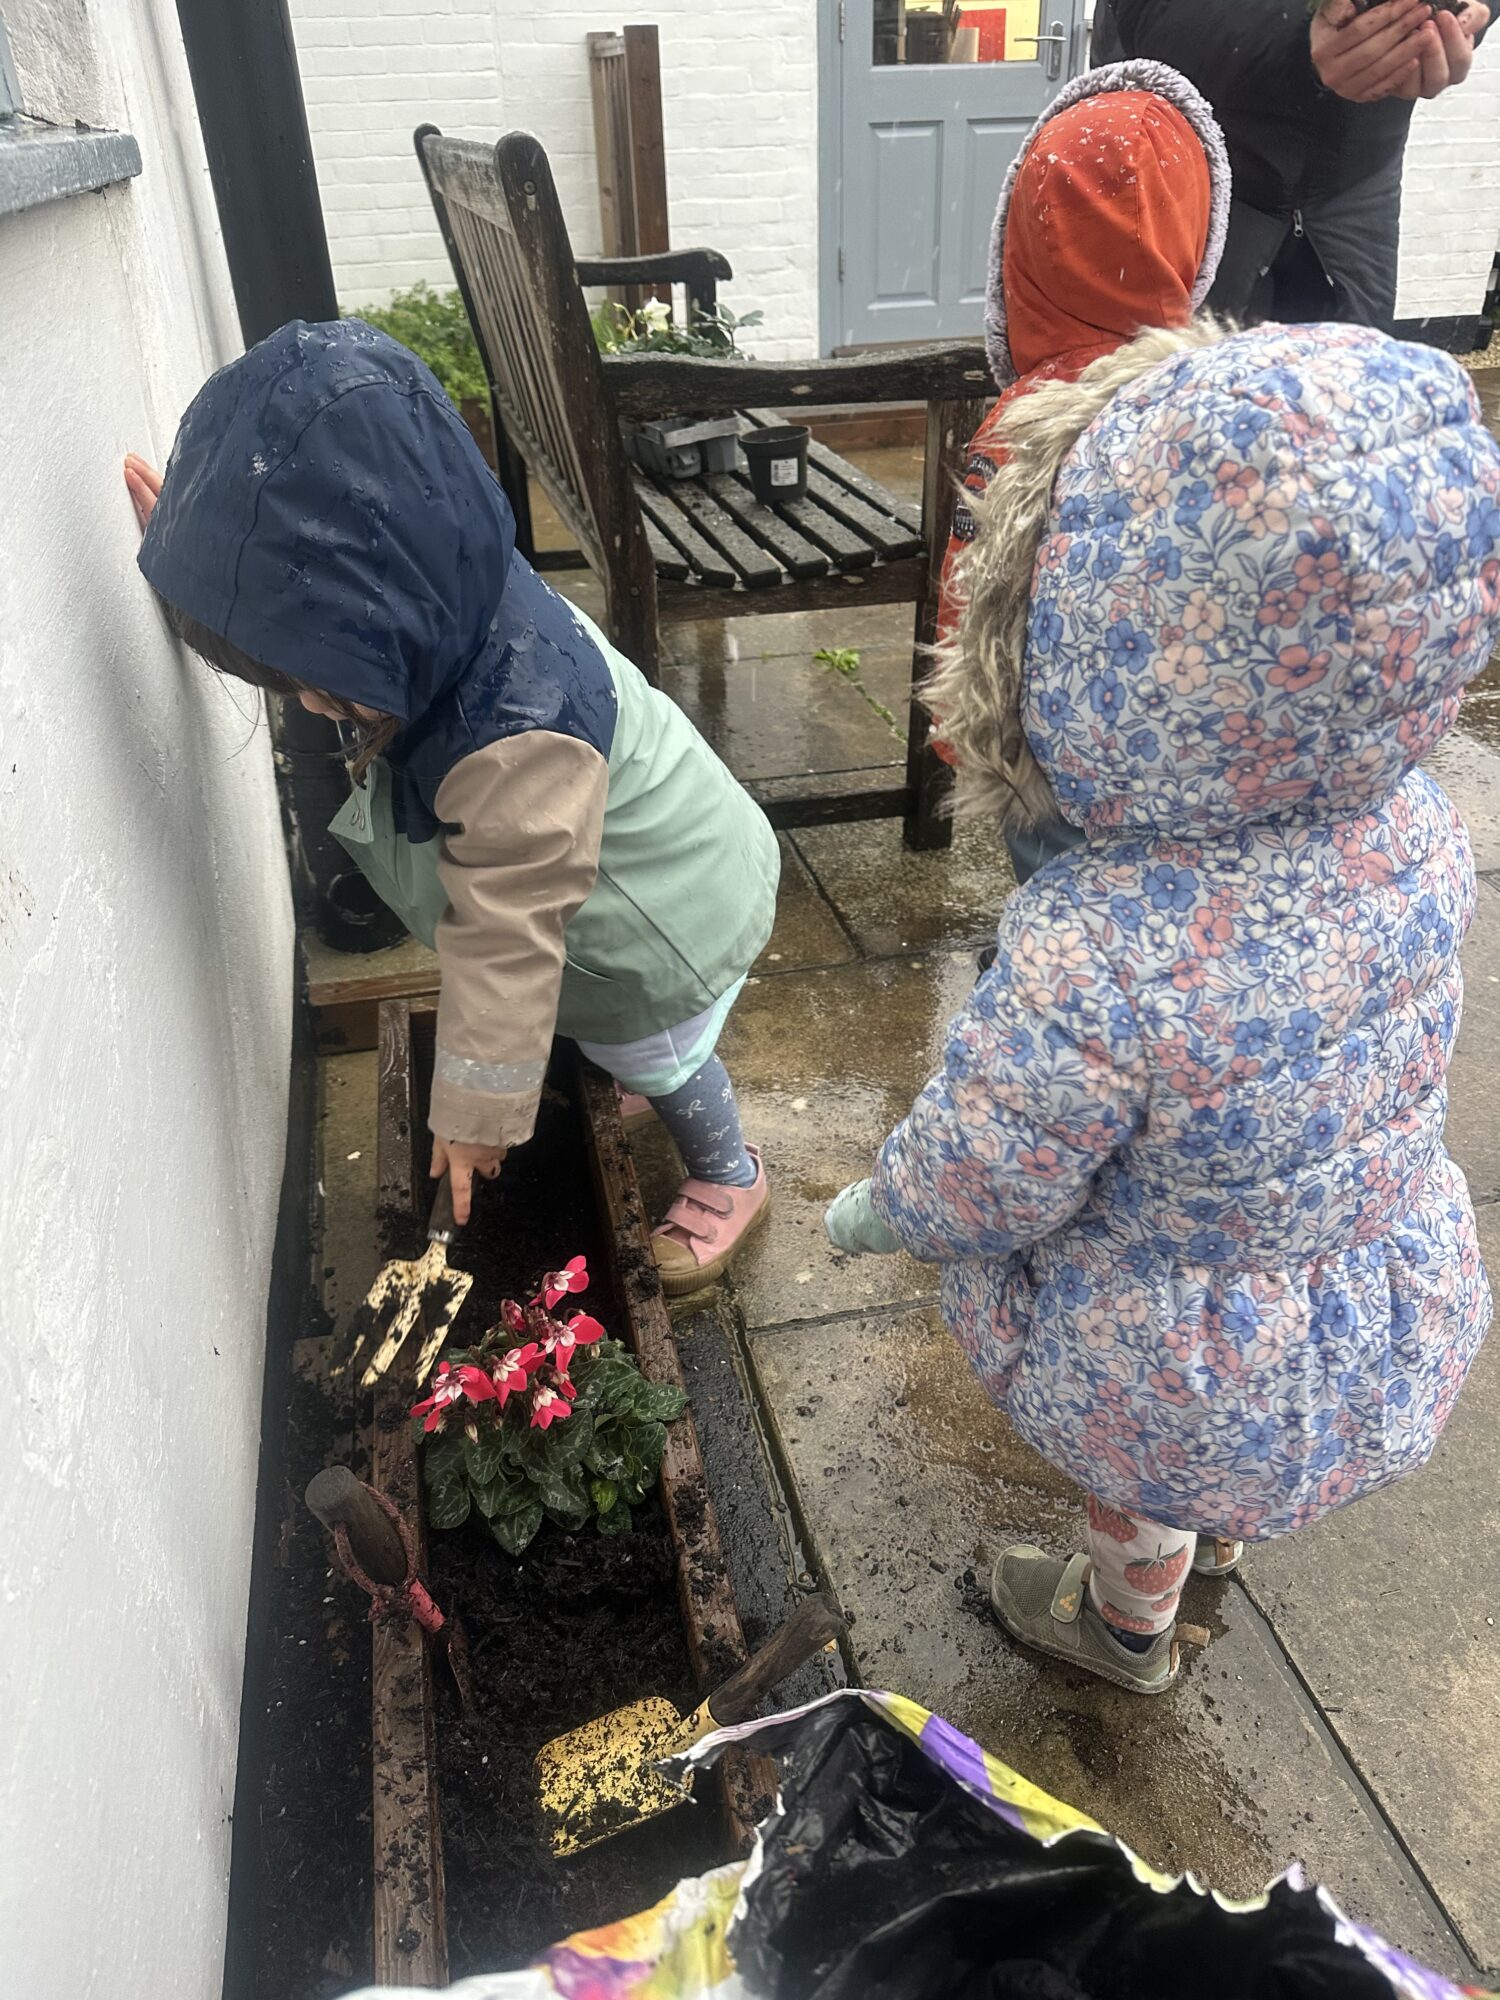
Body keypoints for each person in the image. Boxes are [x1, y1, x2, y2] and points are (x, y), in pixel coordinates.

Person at [826, 317, 1500, 1692]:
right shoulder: (1422, 833)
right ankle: (1222, 1535)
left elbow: (989, 1165)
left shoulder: (1100, 940)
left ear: (1117, 637)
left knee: (1145, 1467)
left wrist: (885, 1208)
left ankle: (1126, 1627)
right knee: (1220, 1439)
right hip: (1366, 1298)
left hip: (1175, 1362)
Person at [125, 319, 778, 1294]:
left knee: (665, 1049)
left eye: (310, 678)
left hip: (665, 916)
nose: (311, 703)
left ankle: (730, 1172)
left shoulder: (517, 740)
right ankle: (639, 1073)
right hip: (625, 862)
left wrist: (477, 1116)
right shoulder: (446, 579)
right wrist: (209, 562)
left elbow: (506, 950)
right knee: (613, 1032)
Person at [935, 60, 1231, 886]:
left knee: (1060, 896)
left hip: (1054, 762)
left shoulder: (1028, 421)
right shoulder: (1208, 410)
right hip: (1186, 760)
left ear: (1020, 248)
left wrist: (971, 735)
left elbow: (973, 600)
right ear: (1196, 236)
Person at [1103, 0, 1491, 331]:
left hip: (1359, 175)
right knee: (1175, 373)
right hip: (1205, 169)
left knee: (1351, 377)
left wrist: (1453, 16)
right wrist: (1294, 39)